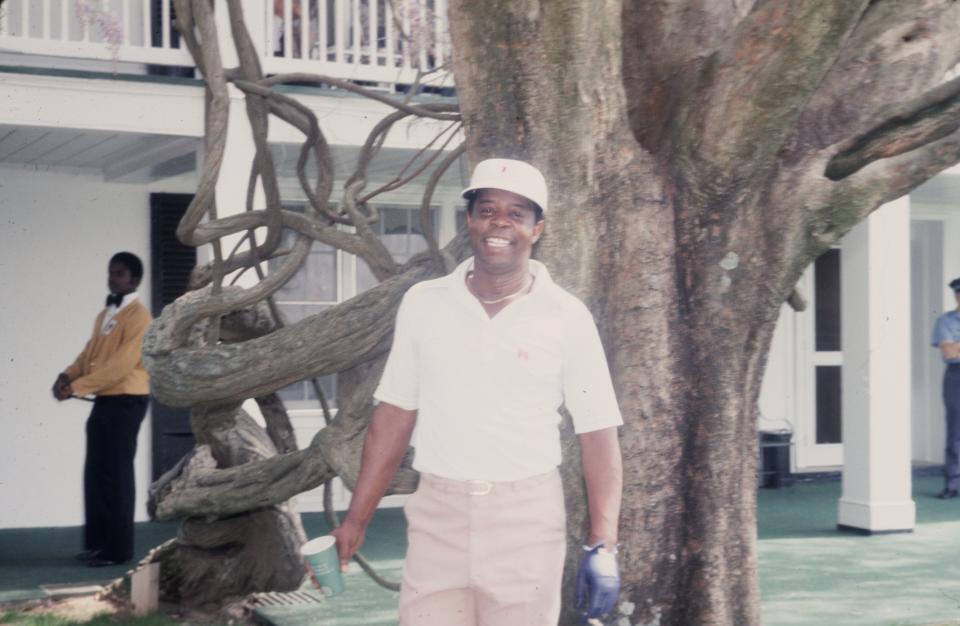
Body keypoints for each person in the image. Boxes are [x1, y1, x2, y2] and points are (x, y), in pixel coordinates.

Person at [330, 159, 624, 625]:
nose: (500, 223)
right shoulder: (424, 304)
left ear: (537, 228)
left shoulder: (566, 316)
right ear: (470, 220)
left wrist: (603, 543)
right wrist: (355, 521)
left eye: (517, 213)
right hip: (437, 516)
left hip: (527, 520)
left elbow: (598, 433)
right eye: (487, 210)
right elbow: (393, 417)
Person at [52, 252, 152, 566]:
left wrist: (77, 388)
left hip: (126, 401)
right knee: (95, 473)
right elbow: (88, 355)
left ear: (134, 279)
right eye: (111, 273)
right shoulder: (105, 314)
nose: (112, 278)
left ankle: (117, 551)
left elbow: (121, 366)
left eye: (119, 274)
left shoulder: (140, 318)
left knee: (116, 475)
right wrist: (67, 376)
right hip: (106, 401)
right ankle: (98, 544)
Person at [934, 277, 960, 500]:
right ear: (956, 295)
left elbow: (955, 348)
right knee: (955, 433)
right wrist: (953, 348)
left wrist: (956, 344)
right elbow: (950, 353)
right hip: (956, 377)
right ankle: (952, 483)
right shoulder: (945, 321)